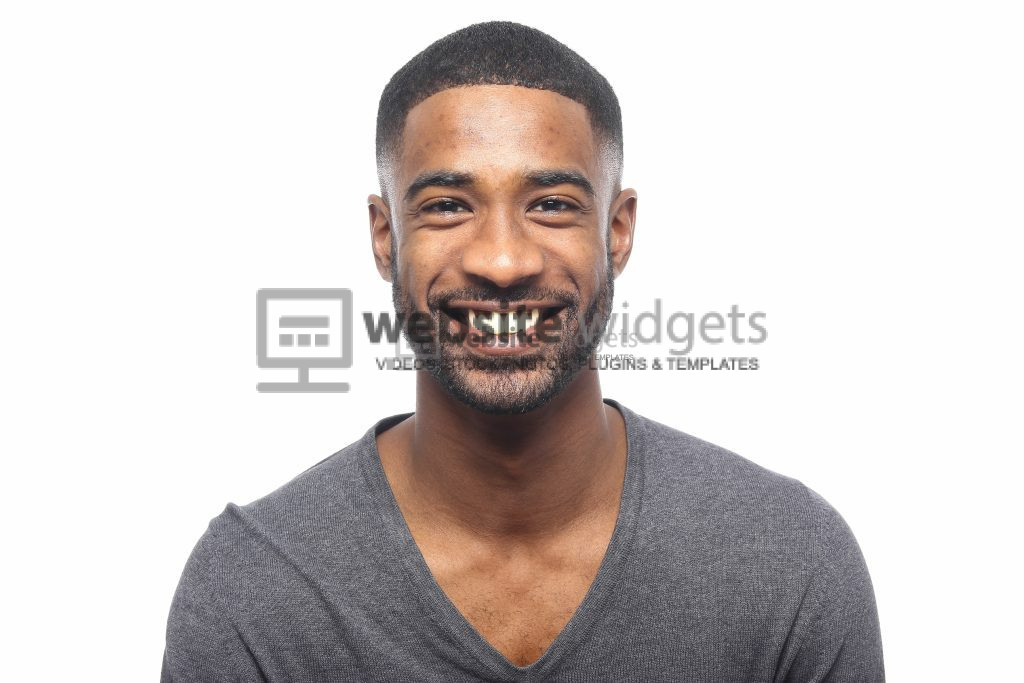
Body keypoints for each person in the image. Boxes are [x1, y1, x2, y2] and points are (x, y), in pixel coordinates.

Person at [162, 21, 884, 682]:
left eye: (551, 204)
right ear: (385, 238)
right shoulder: (257, 590)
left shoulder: (788, 565)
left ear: (619, 230)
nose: (503, 262)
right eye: (447, 205)